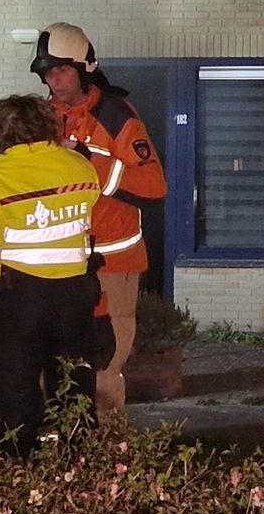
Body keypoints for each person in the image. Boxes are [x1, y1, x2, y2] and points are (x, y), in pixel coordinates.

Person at [0, 94, 103, 458]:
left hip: (20, 304)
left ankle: (19, 472)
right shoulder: (80, 168)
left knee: (17, 397)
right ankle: (83, 474)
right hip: (75, 299)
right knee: (74, 392)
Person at [31, 22, 166, 421]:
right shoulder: (43, 117)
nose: (53, 80)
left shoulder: (116, 115)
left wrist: (90, 163)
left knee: (105, 364)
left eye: (61, 70)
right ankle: (57, 459)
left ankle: (107, 462)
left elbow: (154, 187)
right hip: (57, 261)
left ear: (85, 67)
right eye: (46, 72)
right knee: (51, 363)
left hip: (111, 262)